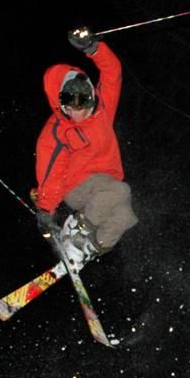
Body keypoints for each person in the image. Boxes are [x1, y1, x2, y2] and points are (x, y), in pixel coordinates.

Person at [30, 27, 138, 268]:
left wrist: (94, 48)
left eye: (84, 107)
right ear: (62, 104)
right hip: (77, 186)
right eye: (72, 109)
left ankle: (86, 250)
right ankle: (76, 228)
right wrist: (46, 209)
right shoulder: (56, 132)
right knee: (121, 191)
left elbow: (112, 73)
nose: (78, 115)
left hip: (105, 185)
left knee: (125, 217)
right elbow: (50, 172)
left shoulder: (103, 110)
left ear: (92, 99)